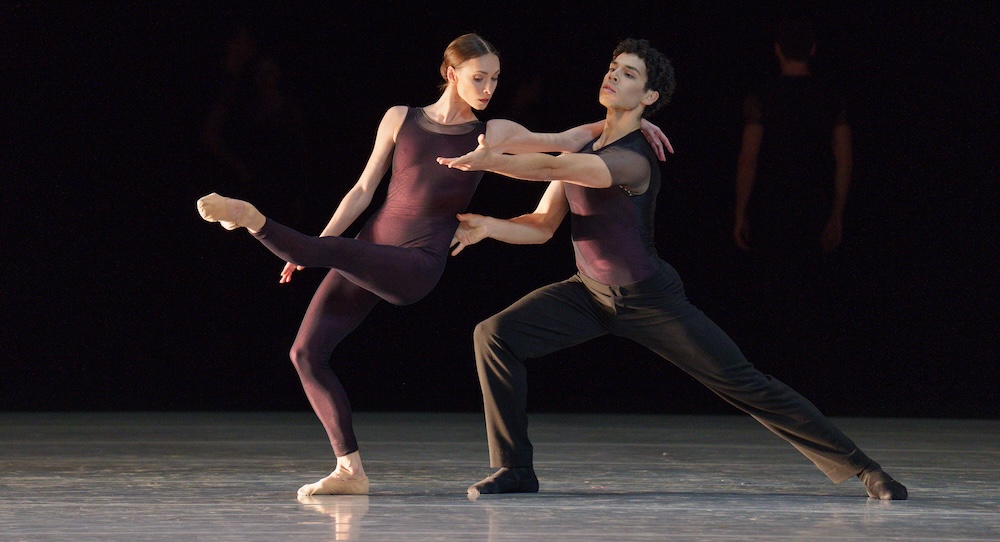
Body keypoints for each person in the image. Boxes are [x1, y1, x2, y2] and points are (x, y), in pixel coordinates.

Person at [196, 33, 672, 496]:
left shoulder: (493, 132)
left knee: (307, 253)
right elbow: (363, 190)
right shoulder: (400, 118)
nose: (489, 89)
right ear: (451, 74)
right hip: (370, 246)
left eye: (495, 80)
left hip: (415, 264)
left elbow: (564, 140)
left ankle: (248, 216)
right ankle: (349, 471)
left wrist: (631, 125)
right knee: (305, 354)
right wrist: (323, 243)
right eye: (480, 78)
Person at [439, 38, 906, 500]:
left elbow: (543, 166)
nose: (613, 75)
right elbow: (541, 226)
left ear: (649, 98)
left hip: (649, 300)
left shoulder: (632, 159)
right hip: (588, 293)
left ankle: (865, 469)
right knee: (494, 335)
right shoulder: (588, 138)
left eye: (628, 74)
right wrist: (489, 226)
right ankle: (515, 468)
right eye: (613, 66)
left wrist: (492, 162)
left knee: (745, 383)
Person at [732, 17, 852, 391]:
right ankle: (813, 378)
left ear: (778, 51)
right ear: (812, 49)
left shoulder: (764, 95)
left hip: (774, 203)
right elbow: (843, 159)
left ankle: (776, 375)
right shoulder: (831, 95)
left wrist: (740, 210)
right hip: (813, 202)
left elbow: (748, 159)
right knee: (812, 290)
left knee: (776, 289)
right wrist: (837, 212)